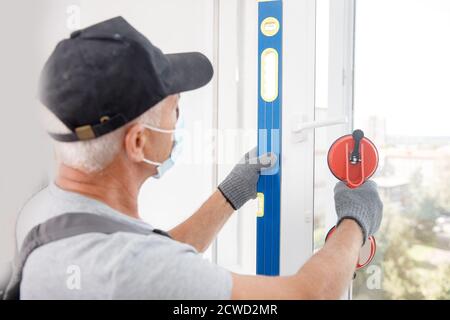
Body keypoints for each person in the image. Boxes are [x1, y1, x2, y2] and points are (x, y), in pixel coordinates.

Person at [14, 16, 382, 299]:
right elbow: (307, 294)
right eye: (174, 109)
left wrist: (230, 193)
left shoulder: (47, 215)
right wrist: (355, 223)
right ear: (138, 142)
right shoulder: (127, 269)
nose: (178, 122)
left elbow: (155, 256)